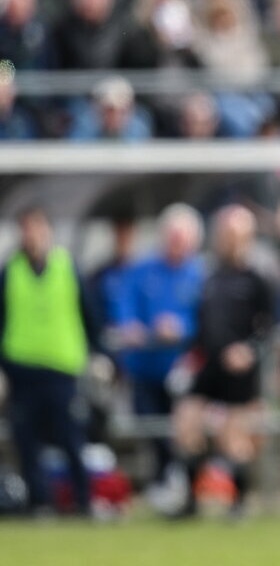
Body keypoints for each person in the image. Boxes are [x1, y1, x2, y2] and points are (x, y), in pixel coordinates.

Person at [171, 205, 274, 518]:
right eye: (224, 235)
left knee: (234, 439)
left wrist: (249, 351)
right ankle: (191, 501)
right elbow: (201, 324)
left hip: (239, 370)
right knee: (186, 427)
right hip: (209, 365)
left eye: (235, 235)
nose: (228, 241)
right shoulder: (207, 276)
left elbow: (270, 328)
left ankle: (238, 503)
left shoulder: (257, 280)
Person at [0, 207, 102, 515]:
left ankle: (83, 500)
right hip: (22, 366)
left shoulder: (66, 266)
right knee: (27, 440)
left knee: (70, 437)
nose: (32, 236)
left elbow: (90, 314)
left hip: (61, 366)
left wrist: (99, 354)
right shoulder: (11, 270)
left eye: (37, 229)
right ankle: (40, 501)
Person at [114, 205, 205, 486]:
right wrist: (131, 327)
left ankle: (184, 483)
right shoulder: (142, 271)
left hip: (184, 372)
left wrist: (182, 328)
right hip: (145, 369)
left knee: (185, 430)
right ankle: (163, 479)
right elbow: (123, 305)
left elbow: (207, 317)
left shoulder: (199, 275)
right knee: (151, 428)